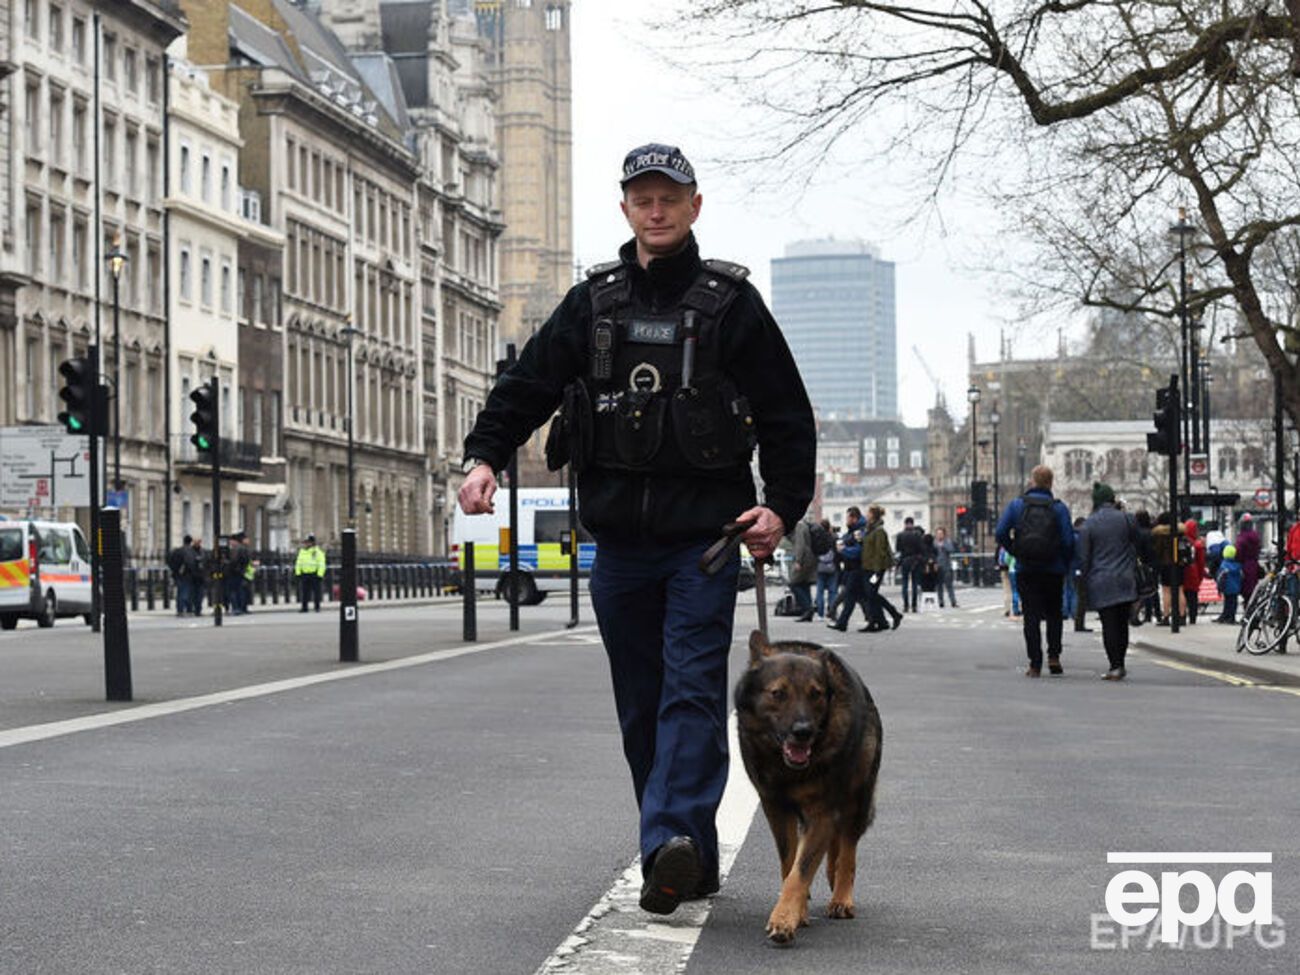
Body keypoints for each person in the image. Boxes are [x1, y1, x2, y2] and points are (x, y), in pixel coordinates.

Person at [458, 143, 815, 915]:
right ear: (626, 208)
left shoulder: (731, 304)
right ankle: (690, 852)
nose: (656, 211)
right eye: (642, 199)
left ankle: (667, 846)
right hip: (618, 545)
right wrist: (485, 455)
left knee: (690, 692)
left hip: (705, 542)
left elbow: (787, 413)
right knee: (642, 703)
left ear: (694, 207)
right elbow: (528, 385)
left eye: (669, 199)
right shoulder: (594, 305)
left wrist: (781, 507)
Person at [995, 464, 1075, 677]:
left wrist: (1015, 551)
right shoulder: (1059, 508)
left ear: (1032, 481)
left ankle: (1035, 663)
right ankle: (1054, 656)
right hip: (1053, 568)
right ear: (1050, 483)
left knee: (1030, 615)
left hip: (1026, 568)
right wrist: (1064, 562)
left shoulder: (1017, 505)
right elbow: (1068, 540)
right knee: (1054, 614)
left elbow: (1000, 532)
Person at [1078, 483, 1137, 680]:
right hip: (1125, 578)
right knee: (1122, 623)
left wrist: (1082, 581)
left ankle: (1115, 665)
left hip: (1101, 580)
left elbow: (1084, 558)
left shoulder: (1089, 524)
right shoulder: (1127, 519)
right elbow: (1138, 544)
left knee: (1109, 624)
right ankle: (1121, 662)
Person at [860, 505, 903, 632]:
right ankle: (883, 619)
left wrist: (877, 571)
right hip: (868, 567)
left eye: (868, 513)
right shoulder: (870, 530)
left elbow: (880, 552)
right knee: (871, 594)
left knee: (871, 594)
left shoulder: (879, 531)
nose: (866, 515)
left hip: (875, 569)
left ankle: (886, 617)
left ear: (873, 515)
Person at [828, 507, 867, 632]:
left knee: (852, 594)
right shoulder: (853, 531)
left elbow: (859, 551)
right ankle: (876, 618)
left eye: (848, 517)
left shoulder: (859, 532)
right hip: (851, 568)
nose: (846, 520)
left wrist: (843, 549)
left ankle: (839, 619)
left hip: (856, 567)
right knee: (858, 596)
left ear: (854, 518)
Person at [787, 518, 817, 622]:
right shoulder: (804, 524)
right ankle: (807, 612)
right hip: (809, 556)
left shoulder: (799, 525)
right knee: (804, 584)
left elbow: (800, 544)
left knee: (793, 583)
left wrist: (798, 561)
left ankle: (808, 609)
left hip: (804, 558)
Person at [894, 516, 925, 613]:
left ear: (905, 524)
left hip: (904, 560)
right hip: (915, 560)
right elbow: (921, 549)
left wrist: (899, 562)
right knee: (915, 584)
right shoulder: (917, 535)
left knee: (905, 584)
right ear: (912, 524)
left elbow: (898, 549)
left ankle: (906, 605)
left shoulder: (900, 535)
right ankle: (914, 605)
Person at [1181, 519, 1207, 625]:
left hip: (1183, 572)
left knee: (1183, 595)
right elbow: (1201, 563)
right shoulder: (1198, 545)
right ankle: (1193, 618)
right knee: (1193, 598)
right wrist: (1200, 577)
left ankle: (1182, 615)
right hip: (1193, 573)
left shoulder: (1181, 542)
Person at [814, 519, 839, 619]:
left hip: (820, 567)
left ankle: (820, 613)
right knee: (832, 592)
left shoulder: (817, 538)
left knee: (820, 591)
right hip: (833, 567)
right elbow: (838, 551)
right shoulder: (834, 537)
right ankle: (832, 612)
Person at [295, 533, 326, 612]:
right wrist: (298, 573)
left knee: (316, 592)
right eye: (305, 542)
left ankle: (317, 607)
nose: (305, 544)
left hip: (314, 574)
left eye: (307, 542)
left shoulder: (317, 552)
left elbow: (321, 564)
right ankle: (304, 607)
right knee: (305, 592)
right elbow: (298, 563)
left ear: (312, 543)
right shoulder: (302, 552)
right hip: (305, 574)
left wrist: (320, 574)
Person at [1235, 513, 1262, 604]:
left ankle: (1248, 613)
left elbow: (1238, 553)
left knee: (1246, 591)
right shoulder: (1255, 536)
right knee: (1252, 591)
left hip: (1244, 566)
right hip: (1254, 565)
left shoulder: (1242, 537)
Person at [1214, 544, 1243, 624]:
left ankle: (1226, 616)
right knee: (1234, 603)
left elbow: (1220, 577)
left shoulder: (1224, 565)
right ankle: (1232, 617)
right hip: (1236, 588)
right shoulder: (1238, 565)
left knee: (1227, 602)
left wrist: (1219, 588)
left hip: (1227, 588)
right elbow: (1241, 576)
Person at [168, 535, 192, 617]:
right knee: (185, 592)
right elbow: (190, 563)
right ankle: (184, 609)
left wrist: (175, 571)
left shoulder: (177, 551)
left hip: (177, 574)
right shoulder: (189, 551)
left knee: (180, 592)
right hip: (187, 575)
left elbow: (170, 561)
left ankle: (179, 609)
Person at [933, 526, 957, 608]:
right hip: (937, 566)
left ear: (944, 534)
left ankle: (953, 601)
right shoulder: (934, 543)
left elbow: (951, 550)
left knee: (949, 585)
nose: (939, 535)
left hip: (946, 566)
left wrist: (944, 546)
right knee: (939, 586)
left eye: (941, 534)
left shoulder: (947, 542)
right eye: (938, 534)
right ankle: (940, 601)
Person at [184, 536, 206, 616]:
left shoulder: (203, 551)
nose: (197, 543)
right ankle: (190, 608)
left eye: (199, 541)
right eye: (196, 541)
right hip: (192, 576)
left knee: (200, 595)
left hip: (201, 577)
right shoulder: (189, 551)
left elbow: (206, 562)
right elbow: (188, 562)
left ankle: (198, 609)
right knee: (191, 594)